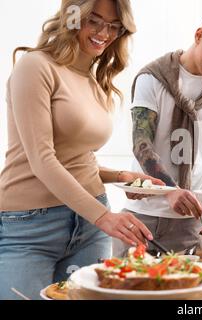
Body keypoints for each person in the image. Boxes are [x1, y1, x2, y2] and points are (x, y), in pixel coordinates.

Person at [0, 0, 164, 300]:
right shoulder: (35, 66)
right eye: (95, 21)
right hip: (30, 229)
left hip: (90, 226)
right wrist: (104, 216)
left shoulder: (92, 78)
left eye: (114, 26)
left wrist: (120, 175)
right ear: (72, 16)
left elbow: (75, 158)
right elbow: (41, 158)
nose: (105, 33)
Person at [113, 11, 202, 255]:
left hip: (193, 217)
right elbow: (141, 143)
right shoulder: (152, 78)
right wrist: (170, 189)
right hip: (146, 211)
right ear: (199, 35)